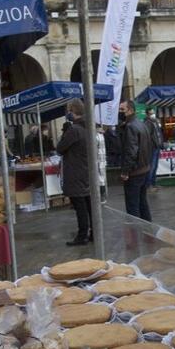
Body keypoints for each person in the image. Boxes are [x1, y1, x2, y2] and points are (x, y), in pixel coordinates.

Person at [56, 101, 94, 246]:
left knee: (80, 207)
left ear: (72, 111)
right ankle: (93, 233)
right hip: (86, 170)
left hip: (76, 171)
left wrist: (65, 133)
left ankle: (82, 235)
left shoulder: (74, 130)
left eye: (68, 111)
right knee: (88, 204)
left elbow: (60, 148)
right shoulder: (88, 127)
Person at [118, 100, 155, 221]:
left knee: (133, 204)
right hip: (144, 169)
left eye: (122, 110)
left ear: (130, 110)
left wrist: (125, 171)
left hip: (135, 172)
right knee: (142, 201)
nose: (120, 112)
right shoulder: (141, 124)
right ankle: (147, 227)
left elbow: (131, 151)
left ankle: (136, 231)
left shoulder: (131, 126)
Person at [144, 108, 164, 190]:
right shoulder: (147, 123)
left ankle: (153, 183)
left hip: (157, 146)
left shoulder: (155, 122)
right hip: (152, 147)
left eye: (153, 113)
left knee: (155, 166)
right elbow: (147, 136)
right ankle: (149, 185)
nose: (153, 115)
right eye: (151, 113)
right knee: (151, 166)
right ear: (147, 114)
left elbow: (159, 134)